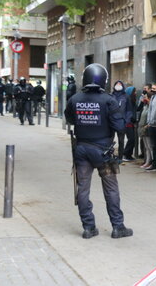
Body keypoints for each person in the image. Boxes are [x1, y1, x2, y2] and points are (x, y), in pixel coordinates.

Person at [64, 63, 133, 239]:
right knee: (111, 189)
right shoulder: (109, 100)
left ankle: (88, 227)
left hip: (81, 150)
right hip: (104, 152)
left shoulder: (75, 99)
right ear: (104, 79)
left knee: (83, 189)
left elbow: (70, 119)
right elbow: (119, 126)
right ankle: (118, 227)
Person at [111, 81, 132, 163]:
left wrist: (126, 121)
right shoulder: (111, 95)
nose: (118, 86)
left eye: (120, 84)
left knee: (121, 140)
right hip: (112, 121)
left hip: (121, 122)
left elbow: (129, 110)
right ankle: (110, 156)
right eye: (117, 84)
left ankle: (120, 157)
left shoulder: (126, 96)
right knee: (110, 140)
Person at [138, 88, 153, 170]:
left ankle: (150, 162)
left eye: (146, 97)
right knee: (146, 147)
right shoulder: (145, 106)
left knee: (149, 147)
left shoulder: (151, 107)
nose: (145, 98)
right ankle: (147, 161)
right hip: (143, 128)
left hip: (147, 128)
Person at [123, 86, 137, 161]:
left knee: (133, 139)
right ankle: (126, 154)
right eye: (134, 92)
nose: (135, 93)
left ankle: (129, 155)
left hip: (131, 122)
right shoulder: (127, 100)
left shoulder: (133, 100)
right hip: (128, 122)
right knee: (131, 139)